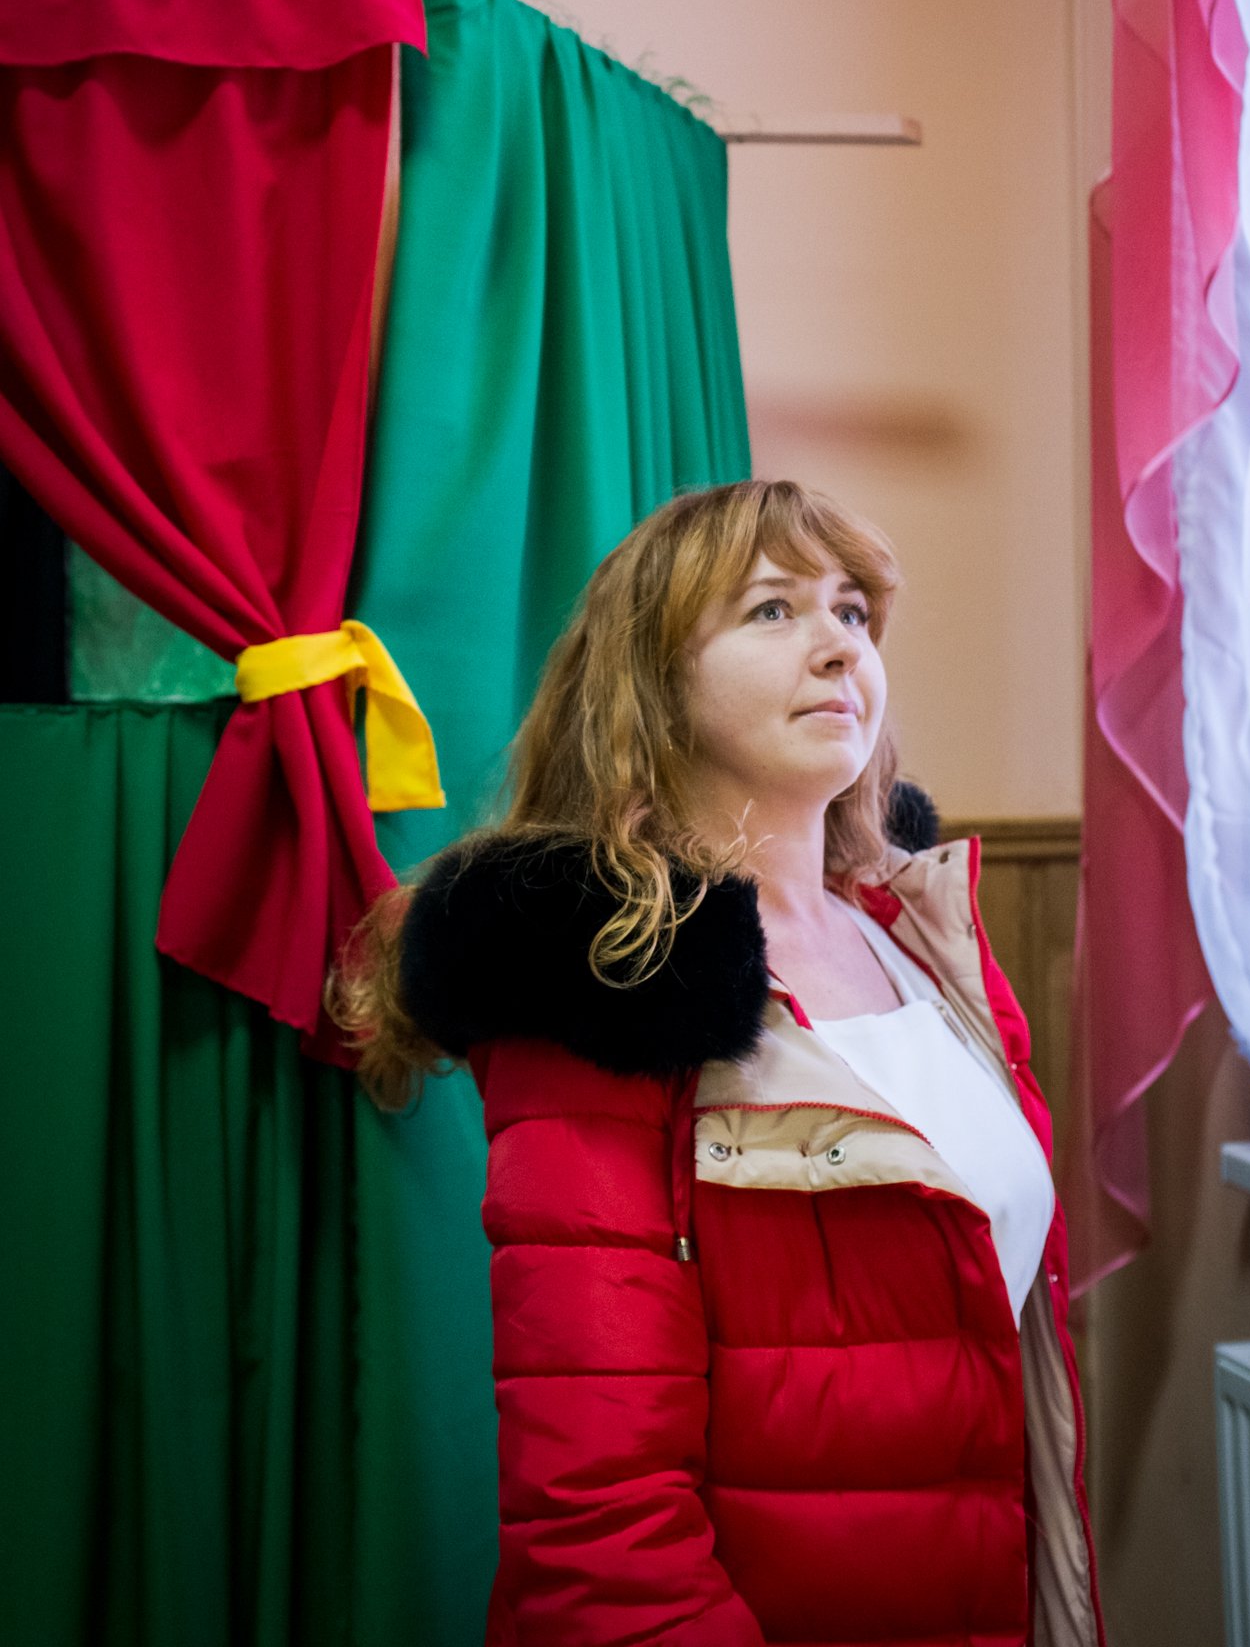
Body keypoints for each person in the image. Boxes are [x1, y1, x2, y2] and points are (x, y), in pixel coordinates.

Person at [328, 479, 1105, 1647]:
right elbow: (600, 1521)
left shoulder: (920, 930)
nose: (838, 644)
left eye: (850, 609)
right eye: (772, 610)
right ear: (653, 685)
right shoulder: (609, 983)